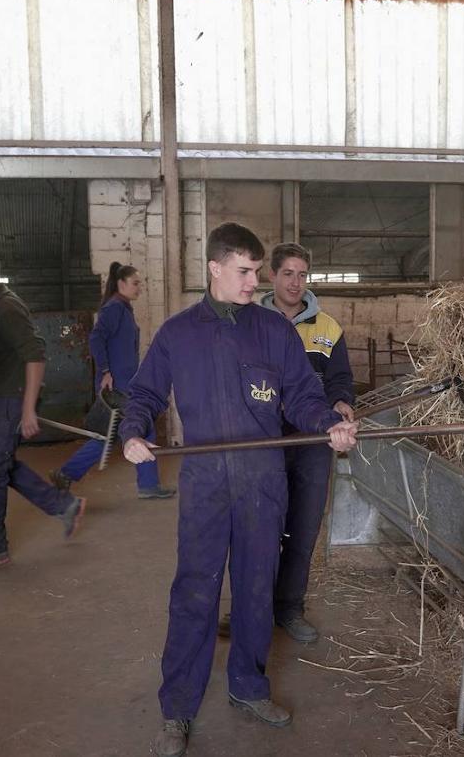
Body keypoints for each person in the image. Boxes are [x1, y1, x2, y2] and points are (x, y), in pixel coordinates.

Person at [121, 223, 359, 757]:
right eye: (247, 271)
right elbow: (144, 393)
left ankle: (248, 687)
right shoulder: (179, 334)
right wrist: (133, 431)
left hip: (262, 482)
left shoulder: (274, 332)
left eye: (258, 271)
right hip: (206, 485)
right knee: (196, 593)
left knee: (256, 588)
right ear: (216, 268)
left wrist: (329, 422)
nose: (258, 281)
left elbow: (300, 395)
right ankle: (178, 707)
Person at [0, 245, 86, 575]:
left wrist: (27, 410)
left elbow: (36, 355)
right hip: (3, 397)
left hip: (12, 400)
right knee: (1, 465)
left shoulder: (7, 307)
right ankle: (63, 505)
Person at [260, 242, 355, 643]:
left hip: (314, 440)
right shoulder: (251, 322)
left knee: (304, 524)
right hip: (264, 441)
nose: (296, 282)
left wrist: (341, 402)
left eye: (302, 275)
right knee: (261, 526)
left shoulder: (328, 329)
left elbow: (340, 380)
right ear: (273, 276)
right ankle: (254, 607)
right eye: (288, 274)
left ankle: (290, 607)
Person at [48, 262, 175, 499]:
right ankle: (147, 485)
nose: (140, 288)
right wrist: (105, 370)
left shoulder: (123, 309)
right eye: (135, 283)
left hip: (127, 383)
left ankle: (66, 474)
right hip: (118, 386)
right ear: (121, 283)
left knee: (111, 436)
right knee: (138, 430)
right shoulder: (114, 309)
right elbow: (96, 339)